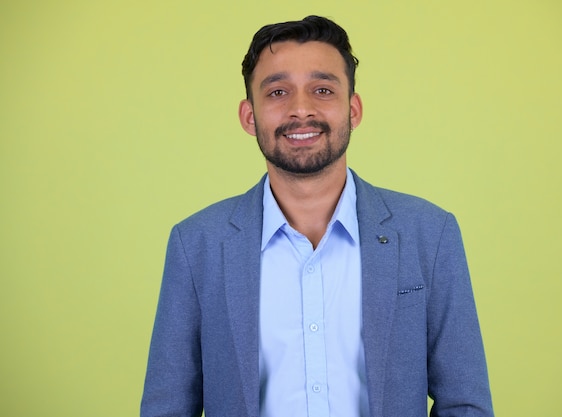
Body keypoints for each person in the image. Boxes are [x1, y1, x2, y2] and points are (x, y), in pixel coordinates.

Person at [141, 15, 494, 417]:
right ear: (249, 116)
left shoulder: (429, 235)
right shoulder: (196, 245)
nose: (301, 109)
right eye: (277, 92)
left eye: (322, 89)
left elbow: (466, 404)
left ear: (354, 109)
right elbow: (166, 407)